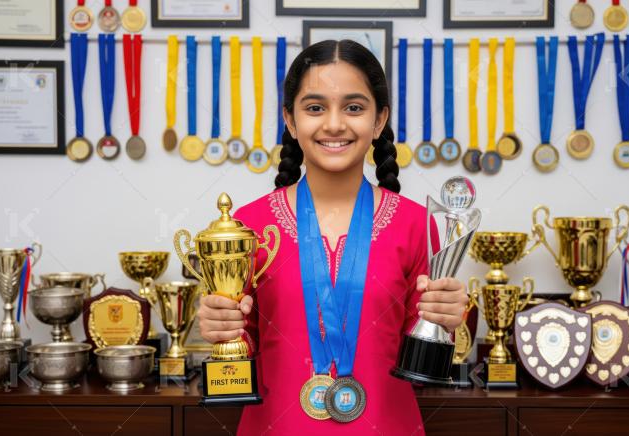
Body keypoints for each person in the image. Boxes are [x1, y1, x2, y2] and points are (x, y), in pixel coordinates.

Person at [197, 39, 468, 435]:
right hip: (276, 426)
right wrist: (221, 326)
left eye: (354, 107)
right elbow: (244, 344)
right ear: (290, 120)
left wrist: (446, 319)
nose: (335, 124)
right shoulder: (247, 226)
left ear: (379, 121)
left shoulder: (417, 224)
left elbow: (423, 356)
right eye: (315, 107)